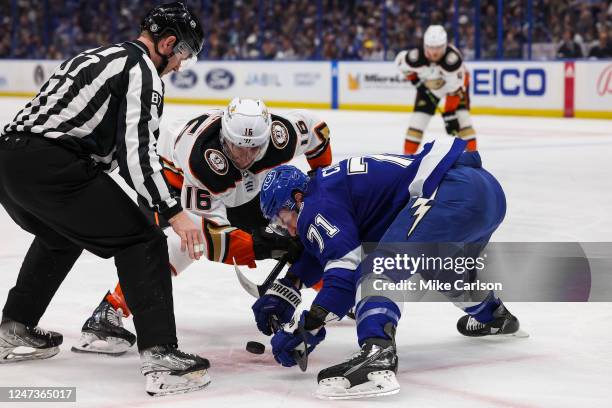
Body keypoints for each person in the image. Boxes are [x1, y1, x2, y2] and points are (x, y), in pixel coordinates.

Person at [0, 2, 212, 397]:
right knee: (143, 241)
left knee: (60, 237)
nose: (181, 66)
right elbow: (137, 155)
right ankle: (162, 356)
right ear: (168, 43)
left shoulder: (99, 54)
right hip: (53, 166)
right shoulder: (143, 71)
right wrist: (173, 211)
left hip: (9, 163)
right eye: (182, 54)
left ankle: (14, 327)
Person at [254, 137, 523, 399]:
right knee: (438, 267)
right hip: (483, 193)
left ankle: (377, 353)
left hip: (449, 189)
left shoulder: (314, 206)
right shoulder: (326, 190)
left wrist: (307, 328)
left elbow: (345, 272)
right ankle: (494, 316)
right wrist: (288, 286)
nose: (288, 230)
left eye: (282, 219)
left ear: (297, 198)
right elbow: (327, 249)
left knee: (378, 267)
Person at [72, 97, 332, 355]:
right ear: (223, 136)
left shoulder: (280, 135)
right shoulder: (200, 161)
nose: (245, 156)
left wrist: (320, 185)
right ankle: (110, 310)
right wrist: (263, 248)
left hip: (239, 188)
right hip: (173, 184)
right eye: (237, 147)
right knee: (181, 245)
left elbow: (317, 130)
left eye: (254, 148)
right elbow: (213, 238)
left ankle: (332, 290)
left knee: (297, 226)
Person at [395, 25, 477, 154]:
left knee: (463, 120)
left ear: (445, 45)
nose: (434, 52)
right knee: (417, 122)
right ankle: (406, 160)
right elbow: (400, 62)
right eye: (431, 47)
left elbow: (455, 89)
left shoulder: (453, 60)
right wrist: (416, 81)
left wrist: (449, 114)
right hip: (430, 88)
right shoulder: (415, 57)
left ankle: (473, 159)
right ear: (424, 45)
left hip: (457, 87)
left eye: (438, 47)